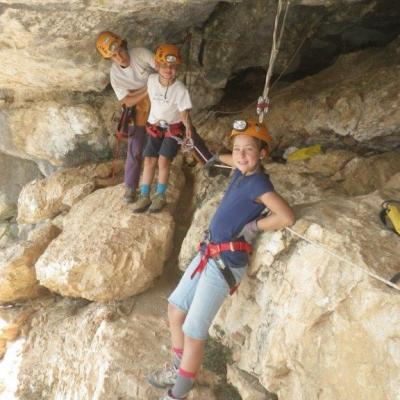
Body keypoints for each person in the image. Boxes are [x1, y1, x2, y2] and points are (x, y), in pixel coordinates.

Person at [147, 119, 296, 399]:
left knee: (193, 330)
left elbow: (286, 216)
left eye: (248, 150)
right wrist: (210, 153)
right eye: (237, 149)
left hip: (224, 263)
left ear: (262, 153)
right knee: (175, 308)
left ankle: (178, 392)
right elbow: (230, 159)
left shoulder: (259, 184)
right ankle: (180, 367)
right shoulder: (241, 171)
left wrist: (253, 227)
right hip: (209, 252)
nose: (240, 155)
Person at [96, 32, 214, 204]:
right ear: (110, 59)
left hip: (161, 94)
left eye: (120, 50)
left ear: (124, 45)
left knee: (185, 128)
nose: (119, 57)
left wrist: (151, 88)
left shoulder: (140, 54)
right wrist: (147, 90)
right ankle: (130, 187)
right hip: (141, 103)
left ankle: (208, 161)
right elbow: (126, 101)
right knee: (135, 145)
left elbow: (163, 67)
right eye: (113, 56)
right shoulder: (115, 74)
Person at [132, 44, 193, 213]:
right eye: (164, 65)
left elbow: (183, 112)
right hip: (154, 126)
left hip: (172, 129)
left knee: (163, 160)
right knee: (149, 160)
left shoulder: (180, 89)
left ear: (177, 68)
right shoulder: (151, 80)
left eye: (173, 67)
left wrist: (188, 130)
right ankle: (144, 195)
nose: (168, 69)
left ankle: (160, 195)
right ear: (157, 66)